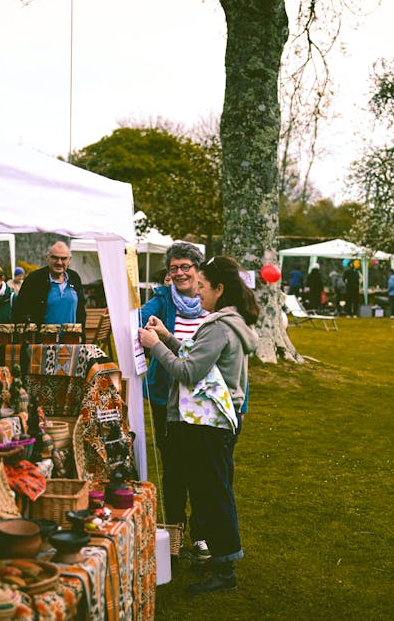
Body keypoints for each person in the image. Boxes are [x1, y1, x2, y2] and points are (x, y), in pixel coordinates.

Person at [138, 255, 258, 595]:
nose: (198, 292)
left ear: (220, 289)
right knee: (212, 492)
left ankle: (225, 569)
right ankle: (220, 560)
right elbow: (200, 360)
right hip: (215, 424)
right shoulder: (229, 323)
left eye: (203, 286)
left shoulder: (219, 326)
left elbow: (188, 372)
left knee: (215, 495)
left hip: (209, 425)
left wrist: (155, 347)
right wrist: (167, 337)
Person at [139, 242, 211, 562]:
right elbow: (134, 324)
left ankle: (202, 534)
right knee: (173, 466)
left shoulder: (210, 300)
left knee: (203, 468)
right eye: (174, 268)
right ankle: (175, 533)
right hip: (166, 397)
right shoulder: (161, 300)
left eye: (185, 267)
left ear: (197, 270)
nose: (179, 273)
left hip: (205, 400)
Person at [12, 241, 85, 325]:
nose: (59, 262)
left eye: (63, 258)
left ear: (70, 259)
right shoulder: (34, 280)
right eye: (54, 258)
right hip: (43, 333)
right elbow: (19, 311)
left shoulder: (74, 278)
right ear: (47, 257)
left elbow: (81, 311)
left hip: (71, 333)